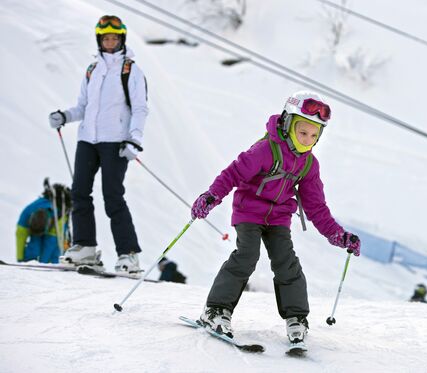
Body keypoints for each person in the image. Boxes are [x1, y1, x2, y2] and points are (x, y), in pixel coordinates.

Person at [189, 90, 361, 344]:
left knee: (286, 261)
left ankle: (296, 318)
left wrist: (338, 235)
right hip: (249, 211)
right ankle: (215, 309)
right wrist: (212, 196)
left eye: (314, 135)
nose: (307, 140)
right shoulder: (265, 150)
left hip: (279, 217)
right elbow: (232, 173)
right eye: (303, 132)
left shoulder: (308, 165)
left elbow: (316, 207)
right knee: (247, 255)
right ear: (288, 124)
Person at [48, 15, 148, 273]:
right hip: (87, 139)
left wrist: (134, 139)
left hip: (115, 142)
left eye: (115, 38)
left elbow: (139, 108)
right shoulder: (92, 70)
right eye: (106, 38)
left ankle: (128, 254)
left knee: (113, 196)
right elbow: (84, 106)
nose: (110, 42)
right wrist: (65, 116)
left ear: (122, 39)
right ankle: (85, 248)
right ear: (100, 40)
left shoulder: (131, 70)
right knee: (79, 192)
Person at [16, 179, 71, 263]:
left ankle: (35, 261)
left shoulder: (42, 209)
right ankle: (46, 262)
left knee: (42, 247)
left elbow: (20, 234)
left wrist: (20, 259)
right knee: (43, 247)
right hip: (47, 225)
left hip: (48, 225)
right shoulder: (54, 211)